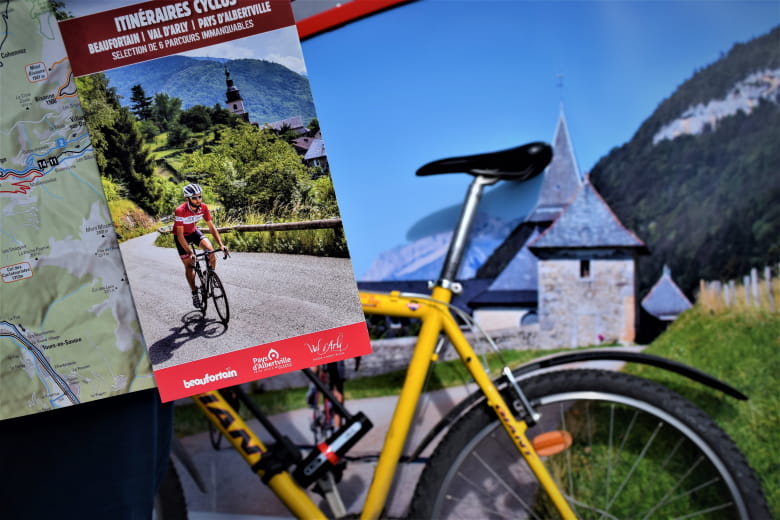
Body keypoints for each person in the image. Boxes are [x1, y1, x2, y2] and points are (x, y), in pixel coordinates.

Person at [173, 183, 227, 308]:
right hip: (181, 237)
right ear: (188, 199)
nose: (198, 200)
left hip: (193, 232)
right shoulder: (180, 210)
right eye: (194, 198)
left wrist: (221, 244)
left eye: (199, 197)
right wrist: (191, 253)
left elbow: (211, 227)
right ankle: (194, 292)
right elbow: (180, 235)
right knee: (189, 265)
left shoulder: (203, 207)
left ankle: (210, 276)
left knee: (211, 252)